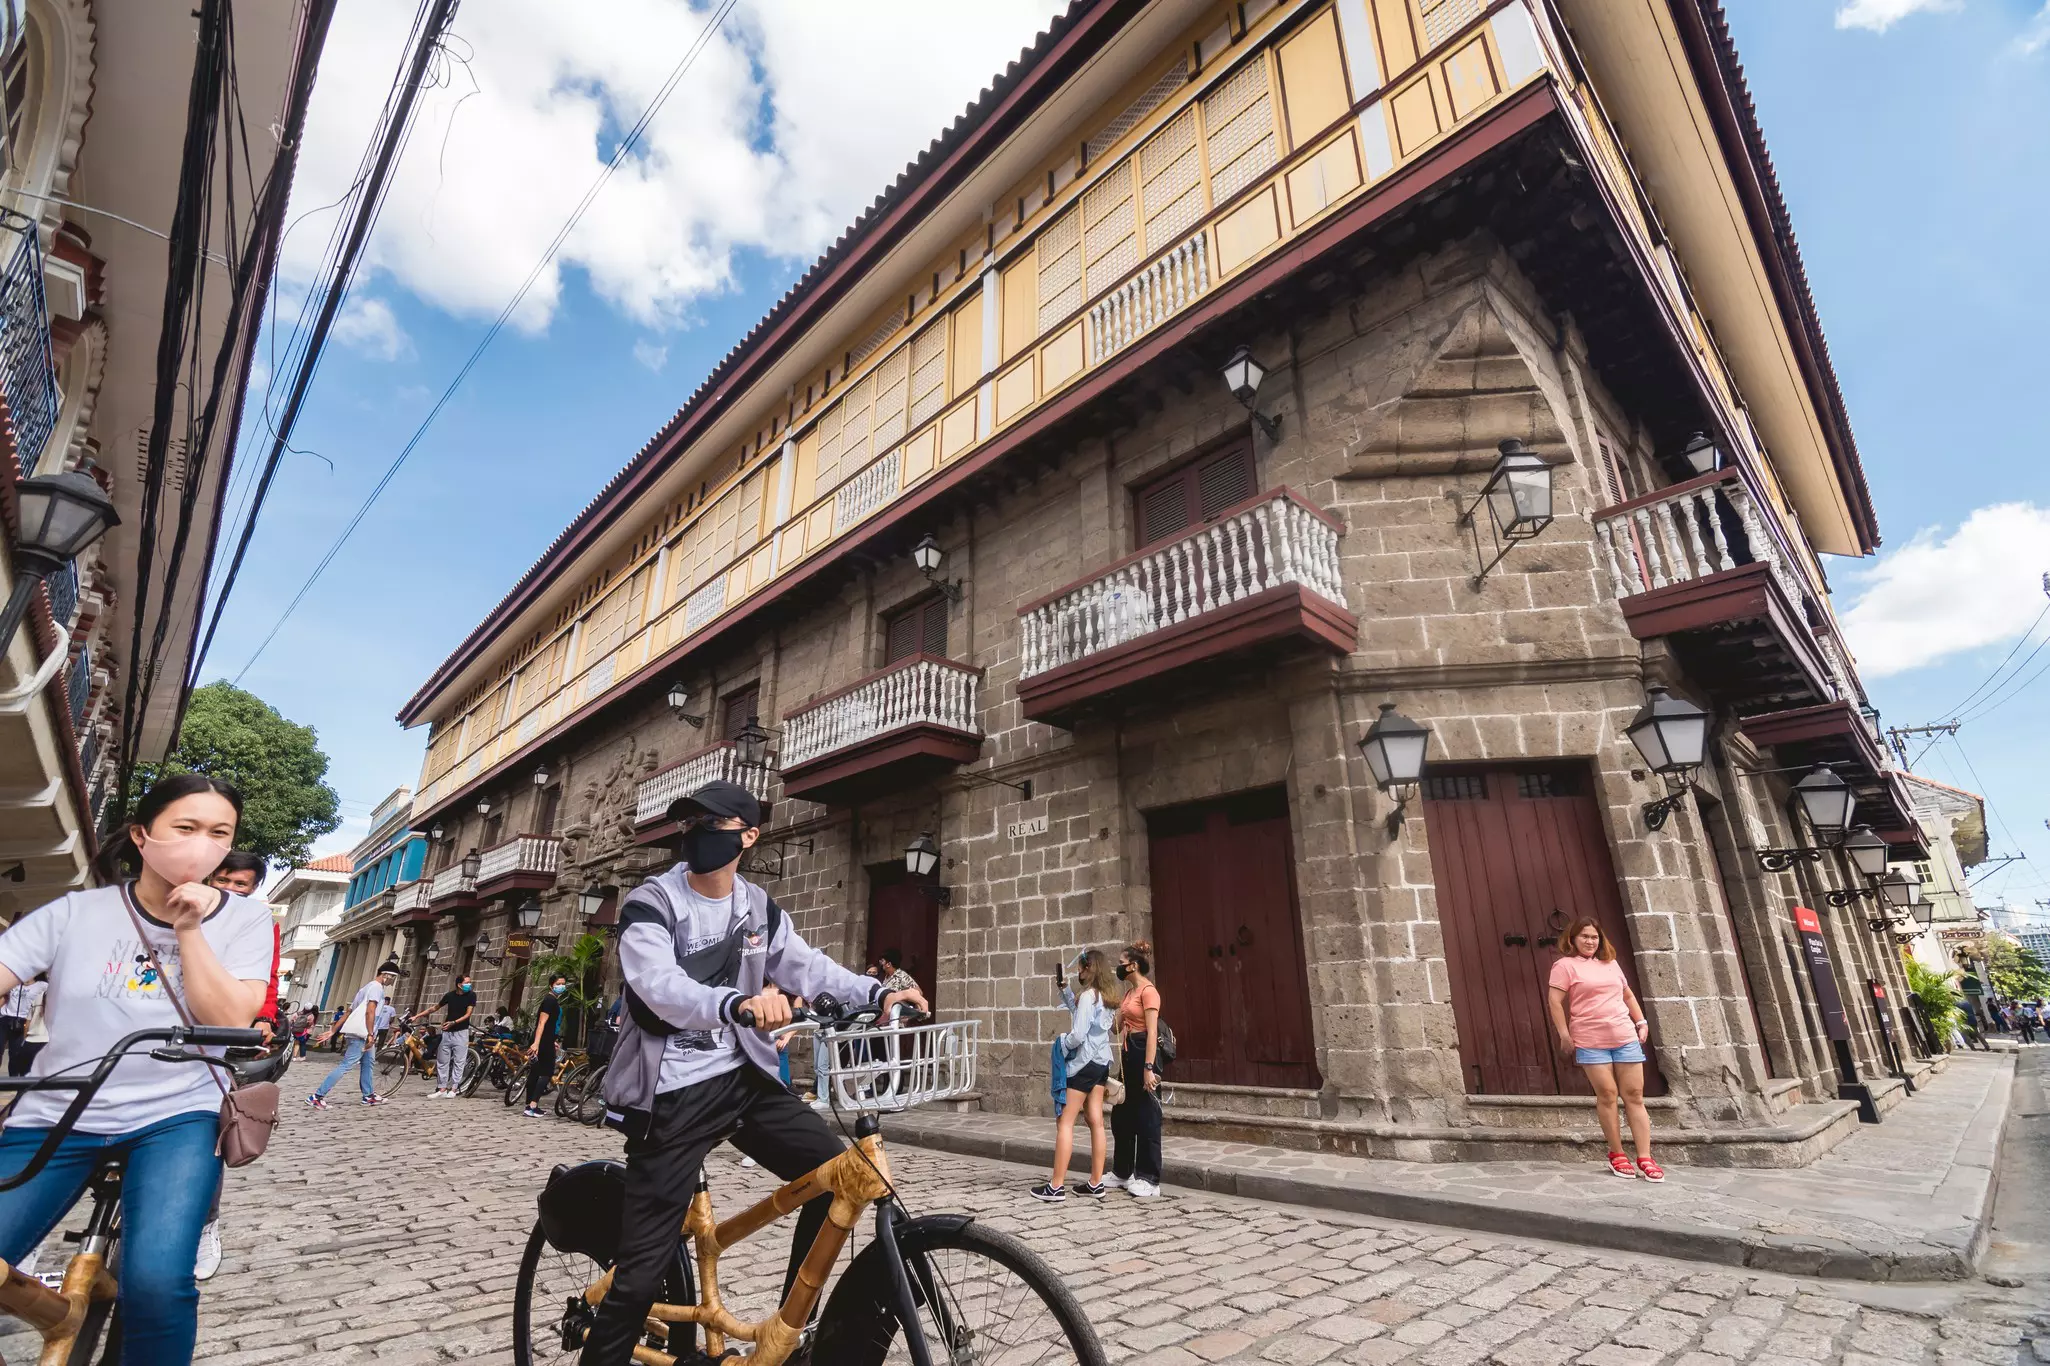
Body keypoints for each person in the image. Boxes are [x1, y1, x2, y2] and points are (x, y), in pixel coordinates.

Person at [580, 780, 925, 1365]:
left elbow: (808, 967)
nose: (696, 835)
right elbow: (657, 984)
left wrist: (881, 990)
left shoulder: (758, 908)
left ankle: (788, 1335)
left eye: (711, 825)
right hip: (671, 1094)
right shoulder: (651, 902)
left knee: (837, 1177)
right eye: (690, 824)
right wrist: (733, 1004)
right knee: (639, 1279)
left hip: (744, 1081)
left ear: (748, 835)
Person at [0, 773, 274, 1365]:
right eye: (186, 827)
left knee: (156, 1283)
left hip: (177, 1114)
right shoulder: (76, 913)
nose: (202, 842)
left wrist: (190, 929)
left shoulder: (247, 921)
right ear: (142, 834)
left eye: (218, 832)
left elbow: (230, 1015)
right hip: (60, 1108)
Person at [1546, 917, 1663, 1182]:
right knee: (1608, 1094)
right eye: (1585, 936)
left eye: (1594, 937)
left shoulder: (1610, 964)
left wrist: (1641, 1021)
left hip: (1624, 1036)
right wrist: (1565, 1035)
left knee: (1634, 1094)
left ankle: (1645, 1157)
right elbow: (1555, 1001)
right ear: (1573, 939)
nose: (1590, 941)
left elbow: (1628, 995)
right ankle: (1617, 1153)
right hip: (1590, 1039)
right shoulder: (1564, 966)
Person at [1033, 949, 1121, 1201]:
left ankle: (1056, 1186)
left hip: (1083, 1064)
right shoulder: (1106, 997)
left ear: (1088, 969)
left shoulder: (1089, 997)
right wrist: (1066, 991)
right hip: (1101, 1063)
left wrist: (1063, 1044)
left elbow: (1079, 1034)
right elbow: (1083, 1016)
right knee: (1095, 1120)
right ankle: (1096, 1183)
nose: (1078, 973)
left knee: (1065, 1121)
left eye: (1081, 969)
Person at [1107, 941, 1164, 1198]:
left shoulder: (1148, 992)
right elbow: (1115, 1028)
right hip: (1128, 1053)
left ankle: (1149, 1178)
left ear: (1134, 965)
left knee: (1147, 1117)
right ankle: (1122, 1170)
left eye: (1121, 964)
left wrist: (1149, 1067)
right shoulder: (1129, 993)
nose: (1119, 968)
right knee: (1122, 1115)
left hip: (1144, 1052)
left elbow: (1152, 1032)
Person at [308, 963, 398, 1108]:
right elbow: (370, 1011)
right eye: (393, 977)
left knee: (368, 1064)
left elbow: (349, 1011)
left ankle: (368, 1096)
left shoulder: (365, 988)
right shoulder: (376, 988)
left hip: (362, 1033)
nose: (393, 980)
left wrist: (333, 1030)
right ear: (386, 975)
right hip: (362, 1034)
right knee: (346, 1065)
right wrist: (370, 1034)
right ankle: (317, 1096)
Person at [523, 973, 568, 1118]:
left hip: (547, 1039)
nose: (561, 986)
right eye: (558, 984)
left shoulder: (553, 1000)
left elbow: (549, 1025)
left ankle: (528, 1104)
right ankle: (533, 1105)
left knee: (535, 1072)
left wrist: (551, 1039)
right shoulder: (549, 1001)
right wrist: (537, 1043)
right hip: (542, 1041)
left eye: (563, 984)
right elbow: (542, 1023)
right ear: (551, 985)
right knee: (547, 1072)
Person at [428, 973, 477, 1097]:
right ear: (459, 985)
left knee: (459, 1061)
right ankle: (442, 1088)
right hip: (447, 1033)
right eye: (466, 983)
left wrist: (454, 1022)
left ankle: (454, 1088)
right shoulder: (449, 995)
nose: (469, 985)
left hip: (461, 1032)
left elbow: (468, 1014)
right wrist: (417, 1016)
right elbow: (435, 1008)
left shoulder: (471, 995)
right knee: (442, 1061)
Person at [1, 975, 47, 1077]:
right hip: (5, 1018)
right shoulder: (14, 983)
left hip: (22, 1020)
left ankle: (13, 1080)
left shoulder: (41, 986)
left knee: (15, 1054)